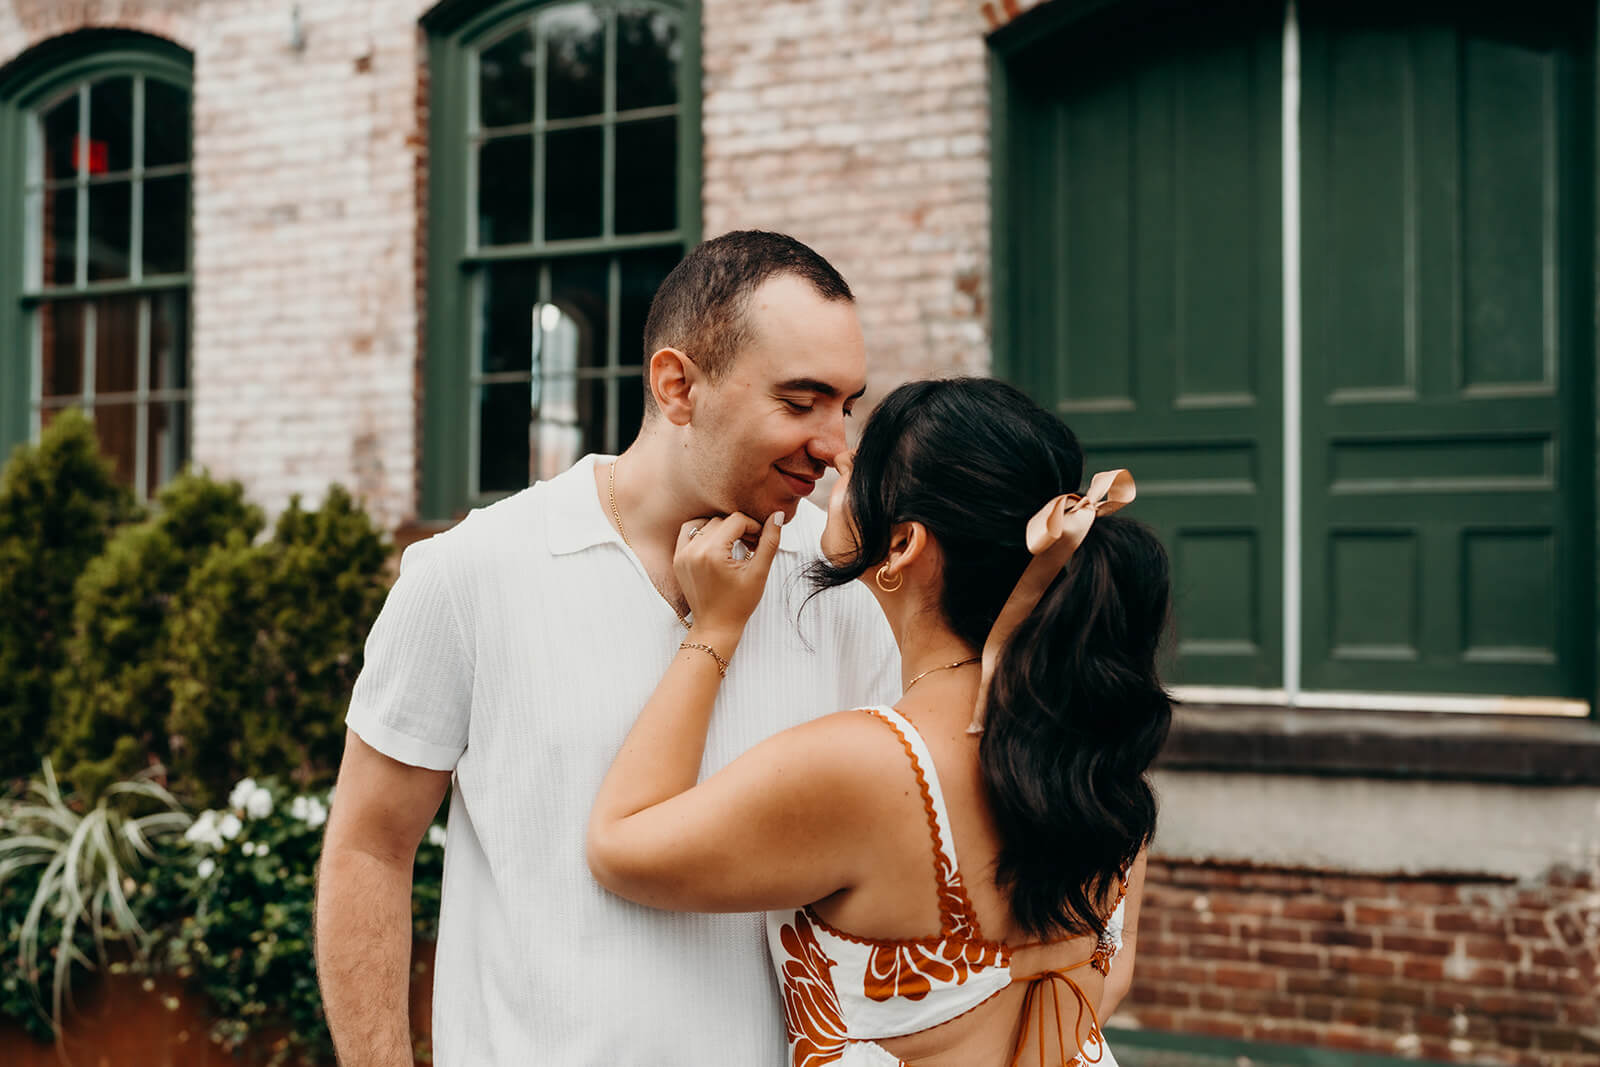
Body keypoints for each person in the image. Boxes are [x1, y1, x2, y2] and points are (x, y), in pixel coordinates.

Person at [315, 231, 901, 1065]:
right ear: (677, 386)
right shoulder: (470, 572)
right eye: (800, 401)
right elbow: (371, 846)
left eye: (848, 403)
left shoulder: (848, 588)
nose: (836, 442)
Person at [587, 377, 1172, 1067]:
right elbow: (1111, 971)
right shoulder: (1094, 756)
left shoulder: (874, 765)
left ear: (901, 546)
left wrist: (713, 628)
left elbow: (621, 844)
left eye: (857, 468)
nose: (834, 462)